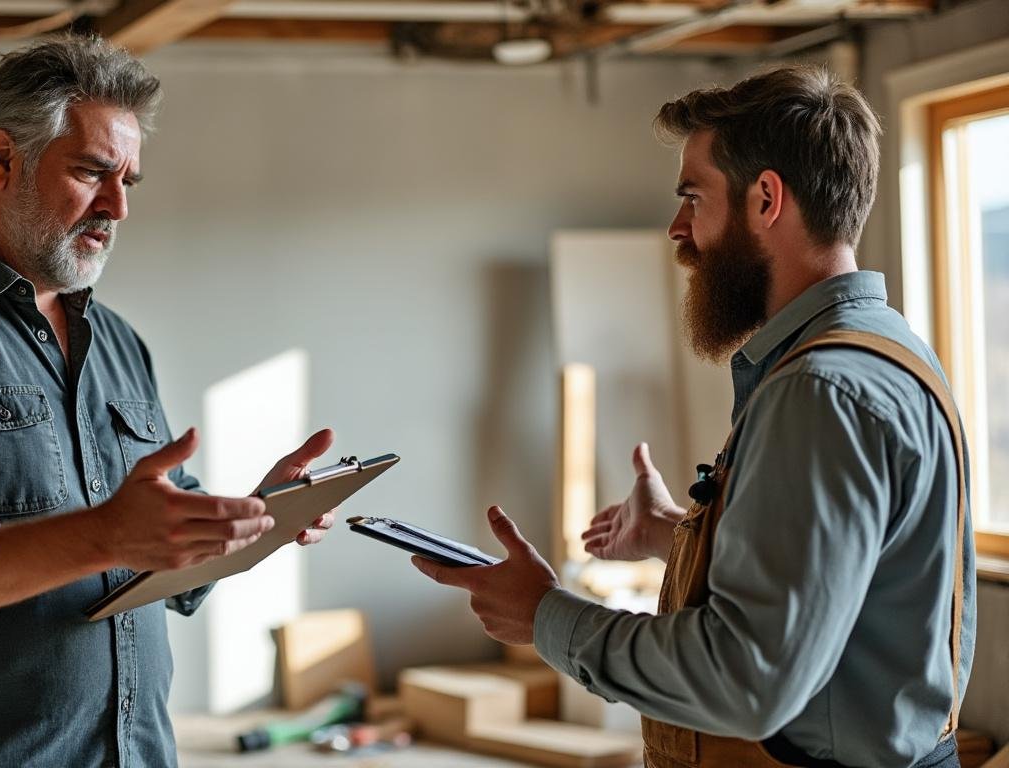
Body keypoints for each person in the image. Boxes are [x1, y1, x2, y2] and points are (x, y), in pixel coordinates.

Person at [411, 65, 975, 768]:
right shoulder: (889, 350)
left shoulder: (820, 391)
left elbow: (749, 681)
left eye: (693, 197)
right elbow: (838, 576)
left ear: (766, 198)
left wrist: (547, 616)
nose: (679, 228)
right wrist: (681, 536)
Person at [0, 36, 337, 768]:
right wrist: (107, 535)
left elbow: (155, 554)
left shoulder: (120, 343)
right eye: (91, 172)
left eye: (129, 182)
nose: (116, 206)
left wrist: (254, 518)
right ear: (0, 160)